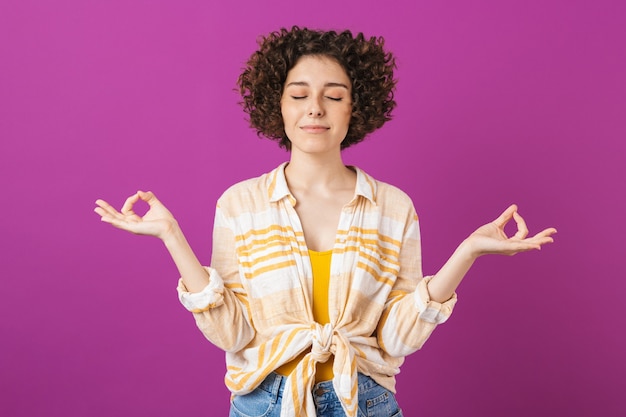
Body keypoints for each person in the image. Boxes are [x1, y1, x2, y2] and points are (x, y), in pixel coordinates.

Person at [94, 27, 556, 417]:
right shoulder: (241, 203)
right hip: (262, 402)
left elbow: (397, 339)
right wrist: (170, 237)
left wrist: (467, 252)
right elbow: (232, 333)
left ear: (355, 108)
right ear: (279, 105)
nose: (315, 107)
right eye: (299, 95)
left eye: (333, 96)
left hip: (365, 401)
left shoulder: (392, 208)